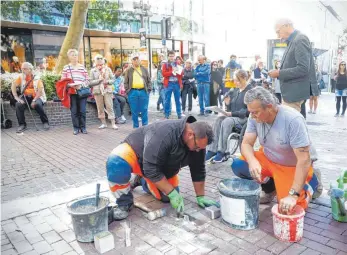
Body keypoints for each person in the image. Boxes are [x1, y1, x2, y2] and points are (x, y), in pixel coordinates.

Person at [106, 116, 219, 220]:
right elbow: (150, 168)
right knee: (116, 163)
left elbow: (198, 169)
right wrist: (172, 193)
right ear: (190, 134)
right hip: (136, 155)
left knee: (166, 197)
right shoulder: (164, 133)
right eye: (197, 147)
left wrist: (200, 196)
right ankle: (124, 203)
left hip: (155, 169)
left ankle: (142, 180)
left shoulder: (198, 143)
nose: (198, 150)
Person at [231, 87, 319, 212]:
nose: (251, 116)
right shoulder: (253, 117)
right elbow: (246, 144)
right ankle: (270, 187)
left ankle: (312, 182)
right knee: (239, 164)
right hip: (269, 158)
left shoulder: (293, 119)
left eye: (255, 112)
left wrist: (293, 195)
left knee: (290, 207)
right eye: (250, 112)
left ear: (270, 107)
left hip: (291, 166)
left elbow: (304, 160)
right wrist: (252, 161)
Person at [268, 18, 314, 113]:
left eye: (278, 31)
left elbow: (303, 68)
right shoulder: (294, 40)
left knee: (291, 124)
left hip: (294, 95)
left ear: (286, 26)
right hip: (292, 94)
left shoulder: (300, 39)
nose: (278, 35)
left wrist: (279, 73)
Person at [205, 70, 251, 163]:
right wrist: (228, 104)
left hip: (244, 119)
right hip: (234, 117)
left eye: (238, 81)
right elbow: (231, 109)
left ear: (245, 79)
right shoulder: (235, 90)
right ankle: (212, 150)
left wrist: (232, 114)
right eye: (234, 80)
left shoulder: (250, 91)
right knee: (219, 119)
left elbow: (249, 111)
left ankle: (222, 152)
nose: (235, 83)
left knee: (227, 121)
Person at [11, 62, 49, 133]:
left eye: (25, 69)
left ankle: (45, 122)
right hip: (25, 97)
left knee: (37, 104)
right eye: (22, 69)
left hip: (37, 96)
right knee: (18, 105)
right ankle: (22, 124)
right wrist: (16, 97)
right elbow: (13, 85)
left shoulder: (37, 78)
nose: (23, 70)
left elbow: (40, 91)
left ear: (30, 69)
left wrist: (34, 100)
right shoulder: (21, 77)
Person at [61, 49, 90, 135]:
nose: (74, 56)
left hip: (82, 91)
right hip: (72, 92)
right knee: (74, 111)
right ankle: (76, 128)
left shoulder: (82, 67)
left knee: (83, 110)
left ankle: (83, 127)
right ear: (69, 57)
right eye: (72, 55)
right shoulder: (66, 67)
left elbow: (87, 79)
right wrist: (70, 85)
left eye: (76, 55)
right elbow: (63, 80)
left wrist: (82, 85)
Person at [89, 54, 118, 130]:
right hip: (98, 91)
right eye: (97, 59)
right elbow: (90, 82)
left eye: (101, 58)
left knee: (109, 106)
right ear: (95, 61)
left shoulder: (108, 69)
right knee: (100, 107)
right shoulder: (93, 70)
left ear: (103, 60)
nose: (99, 60)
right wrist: (99, 80)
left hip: (107, 90)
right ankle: (103, 123)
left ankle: (113, 123)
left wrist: (107, 81)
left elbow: (113, 79)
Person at [124, 53, 151, 128]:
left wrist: (148, 90)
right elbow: (125, 81)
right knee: (134, 110)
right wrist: (128, 91)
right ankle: (136, 127)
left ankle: (145, 126)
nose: (136, 61)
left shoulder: (144, 69)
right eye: (134, 59)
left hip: (143, 91)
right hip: (133, 92)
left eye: (137, 59)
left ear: (140, 60)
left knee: (144, 109)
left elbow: (149, 80)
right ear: (132, 61)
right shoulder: (129, 70)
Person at [162, 51, 183, 119]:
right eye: (170, 56)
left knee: (178, 100)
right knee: (167, 99)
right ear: (168, 56)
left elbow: (181, 74)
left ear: (174, 56)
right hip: (169, 84)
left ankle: (179, 114)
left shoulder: (177, 64)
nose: (171, 57)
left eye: (172, 56)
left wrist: (178, 71)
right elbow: (164, 74)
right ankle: (167, 114)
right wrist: (172, 72)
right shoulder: (165, 64)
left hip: (176, 83)